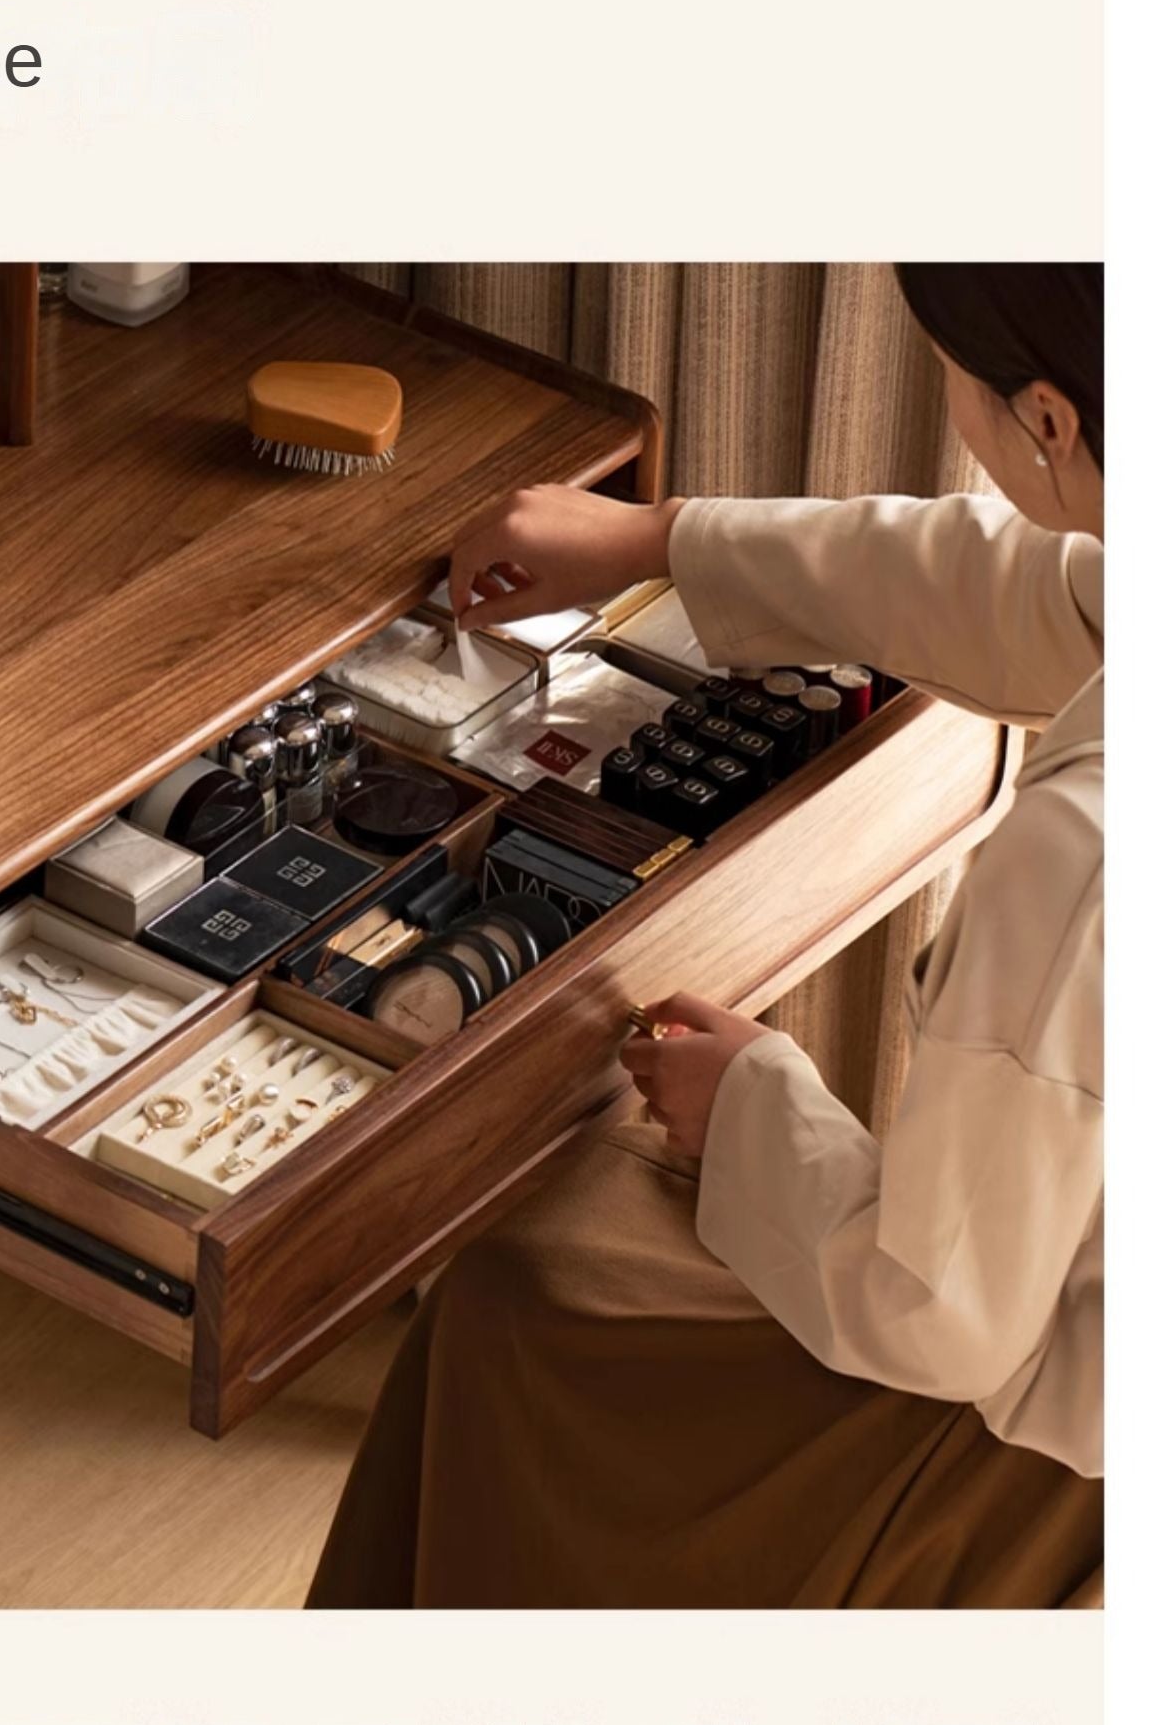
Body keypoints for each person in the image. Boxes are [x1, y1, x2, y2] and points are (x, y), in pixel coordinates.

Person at [308, 264, 1103, 1610]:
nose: (948, 403)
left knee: (512, 1284)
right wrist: (661, 537)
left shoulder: (1084, 855)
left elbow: (942, 1316)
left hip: (1035, 1453)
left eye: (952, 372)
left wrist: (752, 1103)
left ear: (1047, 417)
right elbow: (1026, 588)